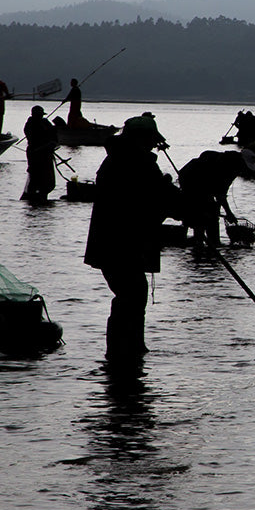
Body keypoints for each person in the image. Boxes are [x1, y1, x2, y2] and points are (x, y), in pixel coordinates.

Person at [83, 113, 180, 361]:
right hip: (120, 244)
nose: (152, 145)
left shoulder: (124, 158)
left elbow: (155, 195)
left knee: (133, 295)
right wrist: (179, 203)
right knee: (131, 295)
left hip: (118, 244)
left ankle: (130, 350)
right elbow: (153, 196)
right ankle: (123, 353)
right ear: (140, 138)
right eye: (149, 140)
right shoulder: (134, 161)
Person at [178, 150, 254, 247]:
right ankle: (206, 242)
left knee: (210, 212)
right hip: (191, 181)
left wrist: (220, 210)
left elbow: (219, 193)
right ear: (242, 162)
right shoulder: (228, 167)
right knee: (202, 213)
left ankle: (205, 243)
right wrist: (229, 213)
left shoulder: (229, 163)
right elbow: (220, 194)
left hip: (196, 180)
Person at [22, 105, 59, 202]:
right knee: (34, 177)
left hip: (46, 154)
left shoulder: (45, 122)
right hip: (35, 154)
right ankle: (33, 197)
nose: (40, 117)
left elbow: (54, 136)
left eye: (41, 115)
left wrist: (52, 144)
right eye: (38, 115)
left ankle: (42, 196)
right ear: (33, 114)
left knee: (47, 178)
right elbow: (32, 139)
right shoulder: (29, 125)